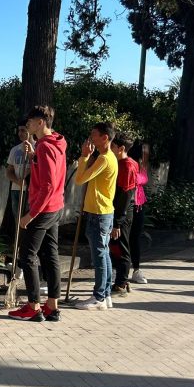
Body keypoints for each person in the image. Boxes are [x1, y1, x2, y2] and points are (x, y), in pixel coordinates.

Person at [7, 106, 67, 322]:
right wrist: (34, 157)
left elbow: (48, 184)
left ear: (41, 122)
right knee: (51, 255)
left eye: (30, 121)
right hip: (55, 207)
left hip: (43, 208)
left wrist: (31, 214)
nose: (27, 125)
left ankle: (33, 306)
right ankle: (52, 305)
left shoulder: (45, 147)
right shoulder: (56, 142)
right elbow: (49, 173)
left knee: (27, 255)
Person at [74, 122, 118, 310]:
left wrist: (84, 157)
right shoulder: (108, 157)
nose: (91, 138)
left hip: (98, 212)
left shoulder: (104, 159)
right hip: (104, 211)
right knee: (104, 253)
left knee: (99, 255)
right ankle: (105, 294)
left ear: (104, 137)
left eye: (94, 135)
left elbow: (80, 179)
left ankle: (99, 296)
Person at [109, 134, 138, 295]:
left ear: (121, 149)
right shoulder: (124, 163)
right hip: (120, 211)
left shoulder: (127, 166)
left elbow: (125, 195)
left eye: (113, 147)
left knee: (121, 247)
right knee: (115, 246)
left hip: (123, 212)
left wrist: (117, 222)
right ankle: (121, 279)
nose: (110, 149)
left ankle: (121, 282)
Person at [128, 141, 150, 284]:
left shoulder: (141, 166)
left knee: (135, 237)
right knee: (122, 238)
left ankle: (136, 269)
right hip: (128, 205)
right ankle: (117, 269)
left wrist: (145, 154)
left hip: (139, 204)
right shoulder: (129, 165)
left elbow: (143, 177)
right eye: (144, 150)